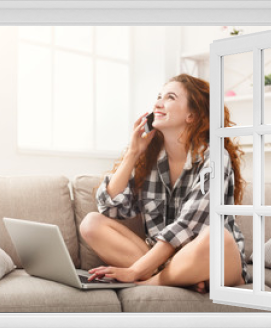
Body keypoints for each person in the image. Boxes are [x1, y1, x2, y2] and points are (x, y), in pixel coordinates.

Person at [79, 73, 251, 294]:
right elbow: (110, 208)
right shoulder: (149, 159)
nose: (158, 103)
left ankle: (152, 282)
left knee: (216, 236)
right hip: (163, 259)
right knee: (91, 223)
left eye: (170, 97)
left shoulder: (215, 159)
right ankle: (181, 278)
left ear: (192, 115)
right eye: (159, 96)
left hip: (213, 260)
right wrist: (133, 153)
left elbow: (187, 226)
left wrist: (133, 272)